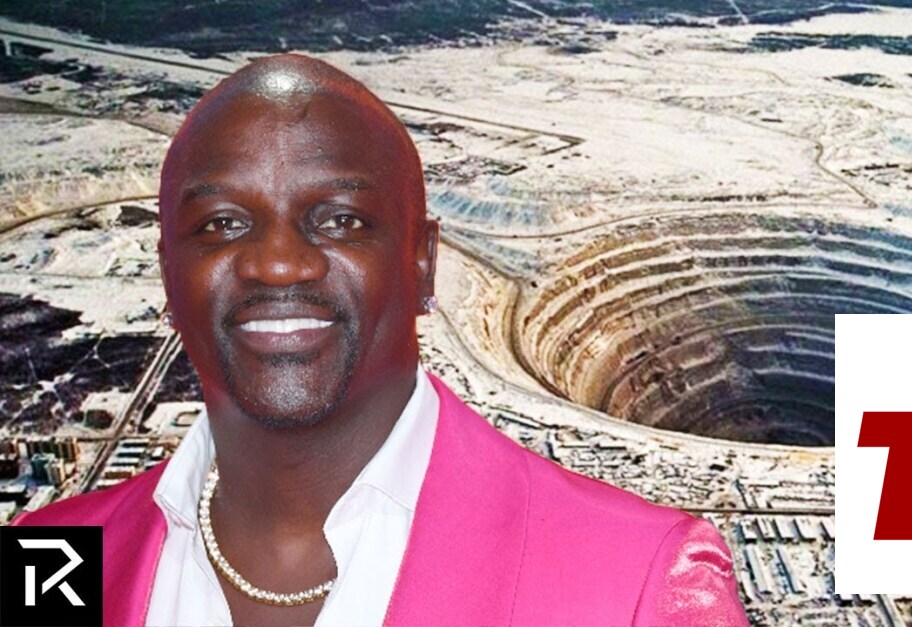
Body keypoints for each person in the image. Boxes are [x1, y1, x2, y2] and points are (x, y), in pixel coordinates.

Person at [15, 54, 748, 626]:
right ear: (168, 273)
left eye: (340, 220)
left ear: (421, 262)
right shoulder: (50, 559)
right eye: (222, 224)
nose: (278, 262)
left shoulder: (639, 580)